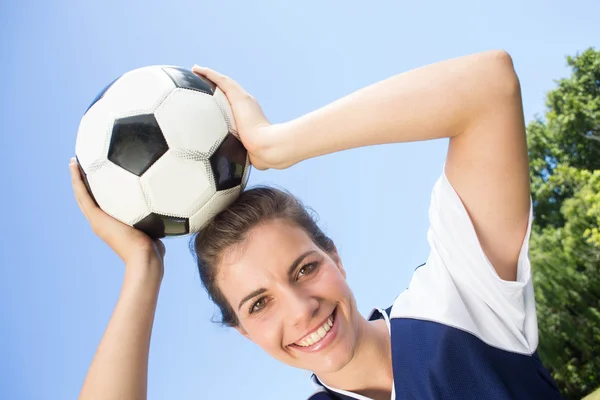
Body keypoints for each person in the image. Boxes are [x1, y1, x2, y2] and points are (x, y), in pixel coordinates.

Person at [70, 50, 564, 400]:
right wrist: (142, 270)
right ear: (244, 332)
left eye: (304, 269)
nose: (302, 310)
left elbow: (488, 87)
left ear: (335, 257)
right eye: (258, 304)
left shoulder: (457, 305)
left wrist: (277, 143)